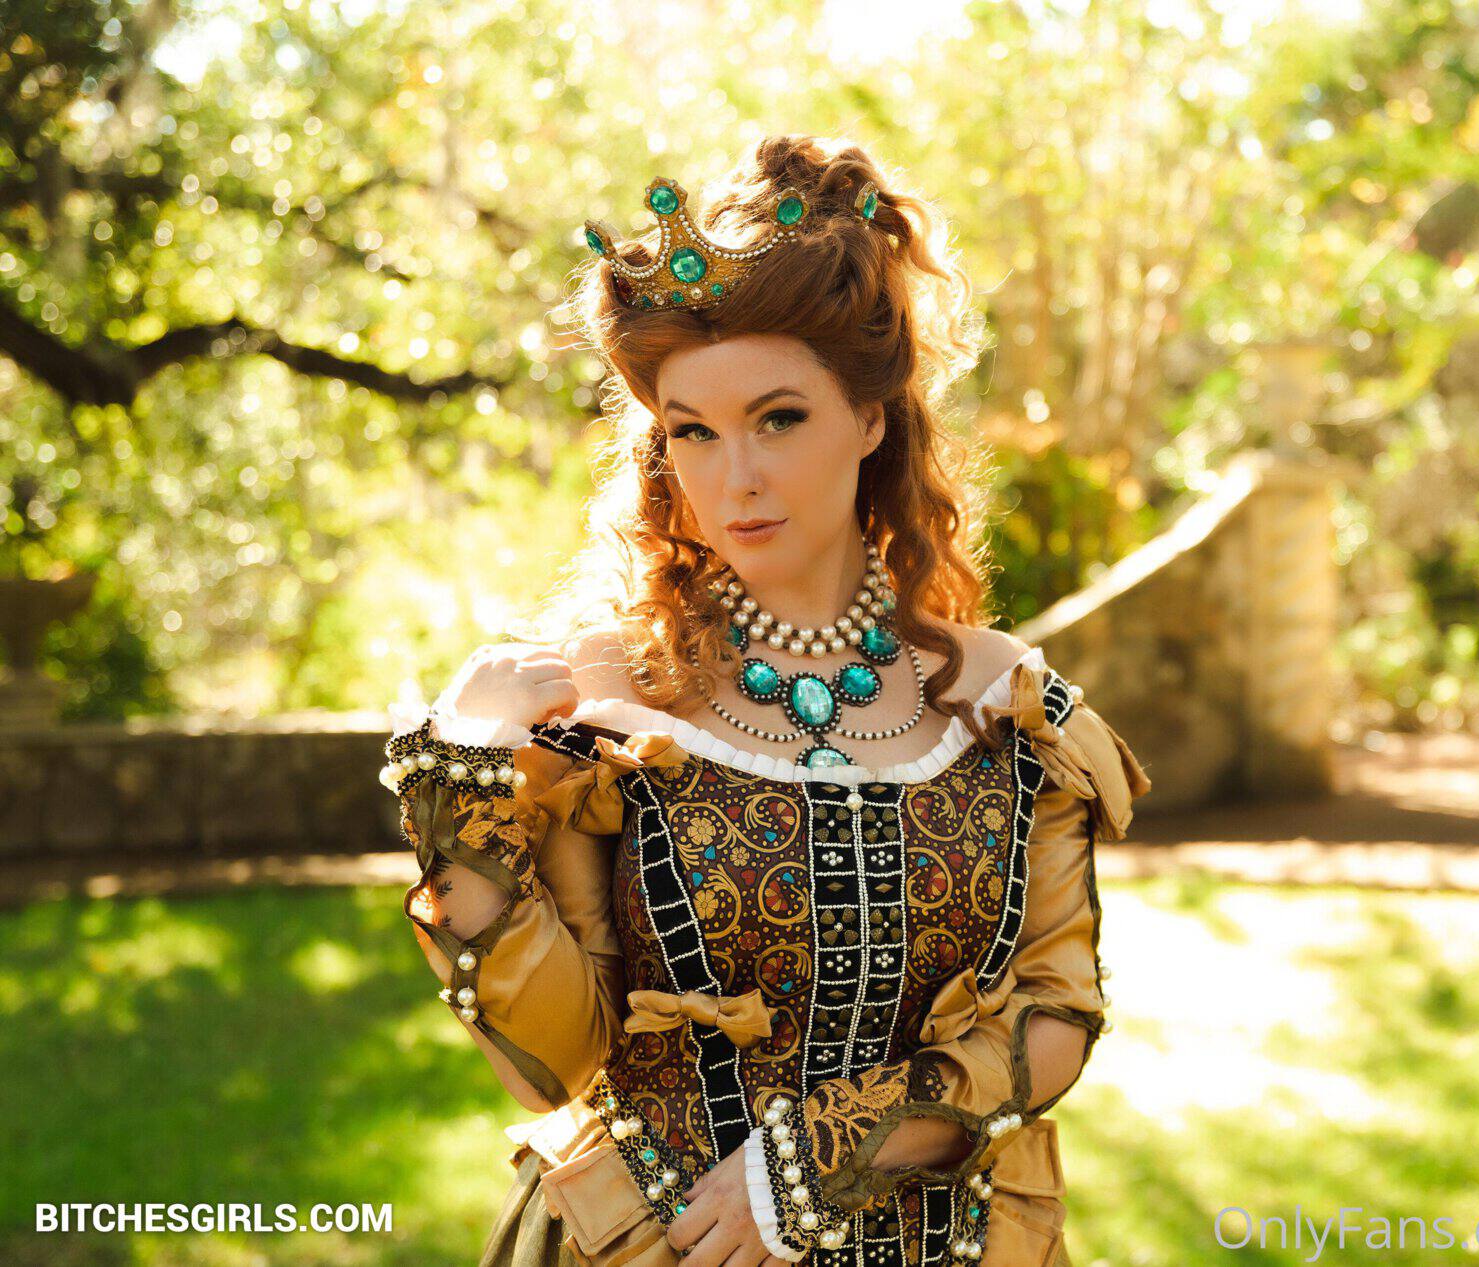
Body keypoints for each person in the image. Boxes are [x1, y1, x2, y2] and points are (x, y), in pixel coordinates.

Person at [379, 134, 1150, 1266]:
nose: (734, 476)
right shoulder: (599, 699)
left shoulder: (1001, 704)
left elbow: (1056, 1011)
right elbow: (549, 1063)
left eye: (778, 418)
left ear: (871, 418)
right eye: (693, 430)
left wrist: (826, 1153)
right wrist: (462, 782)